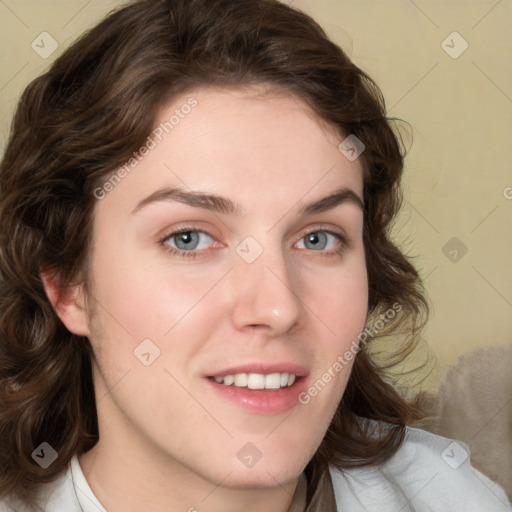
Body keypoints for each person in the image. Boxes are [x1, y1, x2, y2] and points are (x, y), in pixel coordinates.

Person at [0, 0, 509, 511]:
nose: (277, 307)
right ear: (68, 285)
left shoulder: (453, 496)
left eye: (318, 238)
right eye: (189, 238)